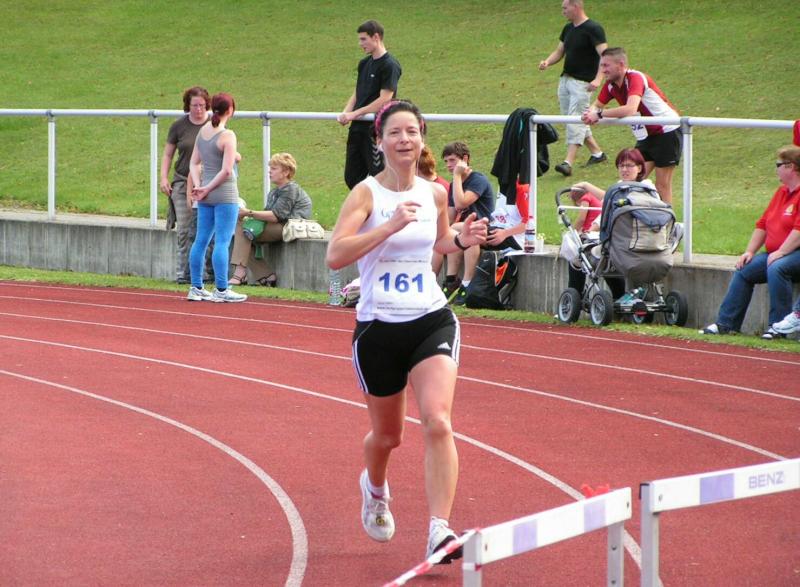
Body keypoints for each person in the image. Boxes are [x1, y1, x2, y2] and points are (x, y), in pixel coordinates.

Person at [326, 100, 487, 563]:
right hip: (378, 327)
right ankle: (374, 488)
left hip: (429, 318)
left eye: (411, 132)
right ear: (379, 141)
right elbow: (335, 256)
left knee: (438, 420)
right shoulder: (366, 195)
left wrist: (461, 239)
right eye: (394, 133)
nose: (404, 140)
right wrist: (389, 226)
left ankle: (439, 530)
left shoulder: (436, 192)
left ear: (422, 137)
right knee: (388, 436)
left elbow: (438, 241)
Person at [699, 146, 800, 339]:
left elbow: (798, 230)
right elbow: (763, 223)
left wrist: (782, 252)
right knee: (744, 269)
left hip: (794, 252)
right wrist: (750, 251)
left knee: (777, 267)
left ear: (791, 167)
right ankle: (726, 323)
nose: (776, 169)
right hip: (776, 252)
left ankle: (778, 327)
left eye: (778, 165)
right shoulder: (781, 192)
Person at [582, 47, 682, 205]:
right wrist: (590, 113)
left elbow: (630, 109)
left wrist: (599, 114)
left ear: (621, 65)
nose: (603, 70)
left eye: (606, 65)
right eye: (601, 66)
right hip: (645, 136)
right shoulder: (610, 85)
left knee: (662, 185)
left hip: (667, 131)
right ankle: (632, 214)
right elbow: (597, 105)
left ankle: (667, 219)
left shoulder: (635, 78)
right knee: (631, 182)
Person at [186, 92, 247, 303]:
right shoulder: (227, 135)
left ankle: (196, 287)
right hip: (224, 193)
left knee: (201, 240)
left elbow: (194, 163)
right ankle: (221, 289)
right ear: (230, 110)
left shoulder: (203, 131)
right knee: (222, 241)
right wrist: (206, 187)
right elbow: (227, 170)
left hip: (206, 194)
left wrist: (199, 186)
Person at [564, 148, 649, 299]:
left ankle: (575, 296)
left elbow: (608, 206)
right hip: (643, 244)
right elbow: (606, 204)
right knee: (601, 256)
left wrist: (592, 230)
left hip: (623, 244)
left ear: (640, 168)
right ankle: (619, 295)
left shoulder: (629, 191)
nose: (624, 169)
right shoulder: (647, 189)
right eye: (621, 166)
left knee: (580, 254)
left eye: (629, 165)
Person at [539, 0, 608, 177]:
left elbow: (605, 56)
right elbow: (559, 51)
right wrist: (547, 62)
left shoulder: (593, 28)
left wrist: (598, 79)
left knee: (575, 120)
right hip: (566, 80)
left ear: (575, 7)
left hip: (582, 83)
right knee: (571, 119)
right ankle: (597, 154)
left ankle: (568, 163)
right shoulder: (568, 29)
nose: (563, 11)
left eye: (565, 8)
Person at [229, 153, 312, 287]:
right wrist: (248, 216)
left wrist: (249, 212)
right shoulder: (274, 192)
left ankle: (240, 273)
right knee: (243, 230)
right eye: (270, 168)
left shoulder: (290, 189)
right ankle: (266, 276)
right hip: (278, 226)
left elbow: (276, 216)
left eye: (274, 168)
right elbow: (267, 215)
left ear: (286, 172)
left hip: (288, 227)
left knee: (243, 229)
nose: (269, 171)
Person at [337, 20, 402, 189]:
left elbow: (385, 98)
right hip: (357, 128)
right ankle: (364, 204)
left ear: (376, 37)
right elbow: (358, 92)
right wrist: (346, 112)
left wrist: (354, 114)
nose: (360, 44)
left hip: (374, 130)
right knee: (352, 178)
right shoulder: (364, 63)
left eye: (363, 39)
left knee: (379, 174)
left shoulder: (390, 65)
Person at [160, 86, 210, 284]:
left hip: (207, 183)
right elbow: (168, 154)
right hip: (182, 182)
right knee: (184, 229)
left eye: (202, 106)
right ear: (187, 105)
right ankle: (183, 273)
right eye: (194, 105)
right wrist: (164, 178)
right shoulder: (178, 126)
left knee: (205, 230)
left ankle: (206, 273)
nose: (198, 110)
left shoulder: (213, 125)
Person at [439, 141, 496, 305]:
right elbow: (450, 216)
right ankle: (450, 280)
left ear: (465, 159)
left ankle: (467, 283)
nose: (448, 165)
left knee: (468, 229)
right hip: (465, 229)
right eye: (446, 161)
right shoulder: (454, 185)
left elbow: (461, 203)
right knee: (448, 231)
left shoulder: (478, 179)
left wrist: (457, 176)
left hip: (486, 228)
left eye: (452, 160)